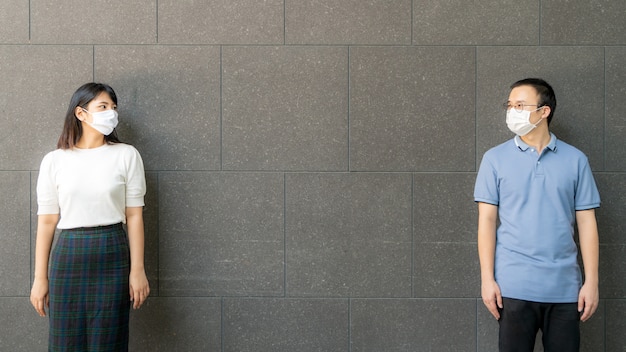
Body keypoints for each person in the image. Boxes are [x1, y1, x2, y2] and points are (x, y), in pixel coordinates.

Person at [474, 78, 600, 352]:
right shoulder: (494, 159)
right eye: (509, 105)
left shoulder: (576, 160)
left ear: (545, 111)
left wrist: (592, 282)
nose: (512, 112)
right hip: (512, 288)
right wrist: (487, 279)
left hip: (565, 290)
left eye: (520, 105)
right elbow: (486, 221)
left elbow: (587, 222)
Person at [30, 83, 150, 351]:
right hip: (69, 253)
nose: (112, 113)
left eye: (114, 107)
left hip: (112, 251)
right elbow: (47, 221)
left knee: (109, 340)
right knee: (65, 340)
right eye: (103, 107)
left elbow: (134, 216)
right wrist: (40, 278)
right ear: (81, 113)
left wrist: (137, 270)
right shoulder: (54, 161)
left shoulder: (126, 155)